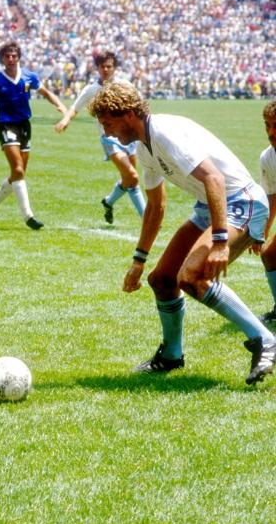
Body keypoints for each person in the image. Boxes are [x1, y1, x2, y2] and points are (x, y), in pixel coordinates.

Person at [88, 82, 276, 385]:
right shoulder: (144, 146)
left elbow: (213, 178)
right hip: (210, 207)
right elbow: (155, 207)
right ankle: (171, 356)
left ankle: (265, 339)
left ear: (128, 114)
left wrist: (219, 243)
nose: (107, 133)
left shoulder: (163, 131)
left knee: (193, 277)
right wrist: (139, 261)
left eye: (108, 123)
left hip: (242, 202)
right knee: (161, 280)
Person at [0, 41, 67, 230]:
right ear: (2, 59)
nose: (10, 59)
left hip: (24, 125)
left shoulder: (28, 76)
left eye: (14, 56)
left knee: (18, 174)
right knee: (17, 170)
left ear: (18, 57)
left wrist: (61, 106)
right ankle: (28, 217)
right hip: (5, 125)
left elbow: (46, 92)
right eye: (7, 56)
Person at [55, 51, 145, 225]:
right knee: (133, 177)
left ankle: (109, 202)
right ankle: (147, 218)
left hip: (130, 137)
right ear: (97, 68)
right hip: (110, 139)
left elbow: (140, 105)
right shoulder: (91, 90)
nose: (105, 69)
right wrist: (65, 120)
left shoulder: (124, 85)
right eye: (102, 66)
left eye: (109, 66)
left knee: (129, 179)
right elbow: (74, 108)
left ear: (114, 68)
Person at [258, 100, 276, 323]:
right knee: (270, 254)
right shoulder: (268, 157)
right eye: (267, 125)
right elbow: (272, 197)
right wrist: (262, 231)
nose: (271, 132)